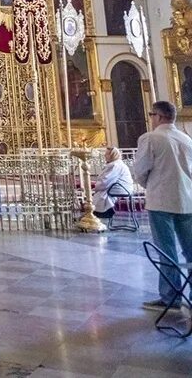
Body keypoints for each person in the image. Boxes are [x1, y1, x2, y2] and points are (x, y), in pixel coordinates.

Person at [130, 100, 192, 312]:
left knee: (166, 251)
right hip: (187, 200)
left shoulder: (151, 138)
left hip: (161, 201)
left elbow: (141, 170)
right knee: (191, 251)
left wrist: (150, 184)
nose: (151, 119)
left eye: (151, 115)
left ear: (159, 116)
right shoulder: (186, 139)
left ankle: (170, 297)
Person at [91, 147, 135, 220]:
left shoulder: (115, 165)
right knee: (102, 193)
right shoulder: (116, 163)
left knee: (101, 194)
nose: (105, 156)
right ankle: (96, 213)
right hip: (121, 187)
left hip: (121, 188)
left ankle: (99, 213)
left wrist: (96, 187)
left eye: (107, 154)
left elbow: (106, 181)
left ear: (113, 155)